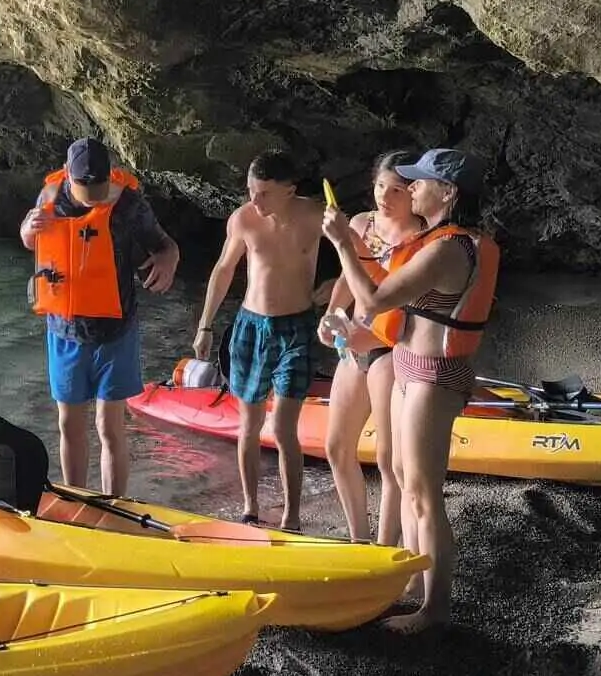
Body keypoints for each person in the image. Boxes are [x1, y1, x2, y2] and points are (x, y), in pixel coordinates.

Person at [322, 147, 499, 633]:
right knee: (402, 473)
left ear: (448, 193)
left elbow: (376, 298)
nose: (411, 186)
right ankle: (417, 587)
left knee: (423, 492)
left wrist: (342, 243)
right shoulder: (435, 239)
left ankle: (435, 610)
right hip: (409, 366)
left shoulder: (448, 248)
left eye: (420, 181)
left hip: (433, 375)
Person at [22, 137, 180, 495]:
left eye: (100, 189)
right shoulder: (49, 197)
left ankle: (114, 504)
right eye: (84, 191)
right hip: (64, 331)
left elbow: (165, 245)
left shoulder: (130, 204)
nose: (94, 197)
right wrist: (27, 231)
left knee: (110, 426)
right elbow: (30, 240)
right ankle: (77, 499)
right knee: (69, 423)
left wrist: (170, 259)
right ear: (69, 179)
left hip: (116, 331)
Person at [193, 151, 329, 532]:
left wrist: (339, 288)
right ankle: (250, 508)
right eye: (252, 190)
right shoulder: (243, 219)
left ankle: (292, 517)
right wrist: (205, 325)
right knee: (249, 424)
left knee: (285, 428)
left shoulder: (315, 215)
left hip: (298, 328)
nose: (256, 200)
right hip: (252, 328)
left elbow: (363, 251)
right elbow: (223, 271)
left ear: (290, 190)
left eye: (265, 193)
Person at [316, 152, 424, 547]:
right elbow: (349, 274)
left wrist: (373, 337)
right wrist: (331, 314)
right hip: (353, 343)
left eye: (397, 190)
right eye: (381, 186)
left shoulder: (421, 238)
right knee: (336, 446)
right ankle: (358, 541)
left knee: (387, 459)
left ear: (414, 193)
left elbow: (411, 307)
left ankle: (384, 547)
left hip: (390, 347)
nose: (386, 197)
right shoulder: (360, 224)